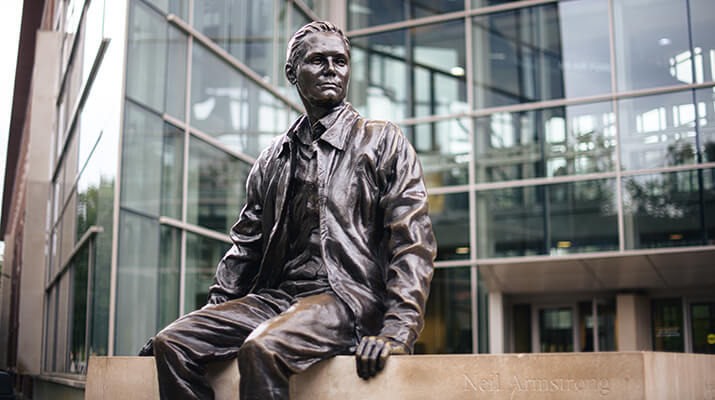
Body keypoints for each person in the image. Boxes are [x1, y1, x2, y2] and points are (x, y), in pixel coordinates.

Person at [139, 20, 436, 400]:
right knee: (173, 343)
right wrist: (205, 319)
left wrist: (398, 329)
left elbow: (414, 243)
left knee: (262, 348)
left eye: (340, 61)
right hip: (277, 300)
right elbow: (245, 250)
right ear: (292, 73)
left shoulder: (381, 141)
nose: (332, 69)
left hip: (344, 298)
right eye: (318, 60)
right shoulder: (272, 159)